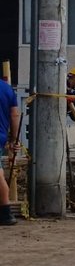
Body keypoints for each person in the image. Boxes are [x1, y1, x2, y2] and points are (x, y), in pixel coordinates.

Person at [0, 76, 19, 226]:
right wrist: (14, 139)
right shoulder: (7, 89)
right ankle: (5, 213)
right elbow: (14, 115)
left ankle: (6, 213)